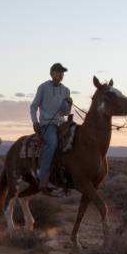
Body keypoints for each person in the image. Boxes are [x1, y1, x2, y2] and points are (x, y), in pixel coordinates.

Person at [30, 62, 73, 193]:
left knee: (77, 140)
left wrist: (69, 104)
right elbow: (33, 106)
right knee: (52, 143)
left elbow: (65, 112)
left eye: (62, 73)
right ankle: (42, 176)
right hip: (48, 123)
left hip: (62, 122)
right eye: (59, 72)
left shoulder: (66, 90)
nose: (61, 74)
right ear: (52, 73)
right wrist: (35, 121)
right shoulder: (43, 87)